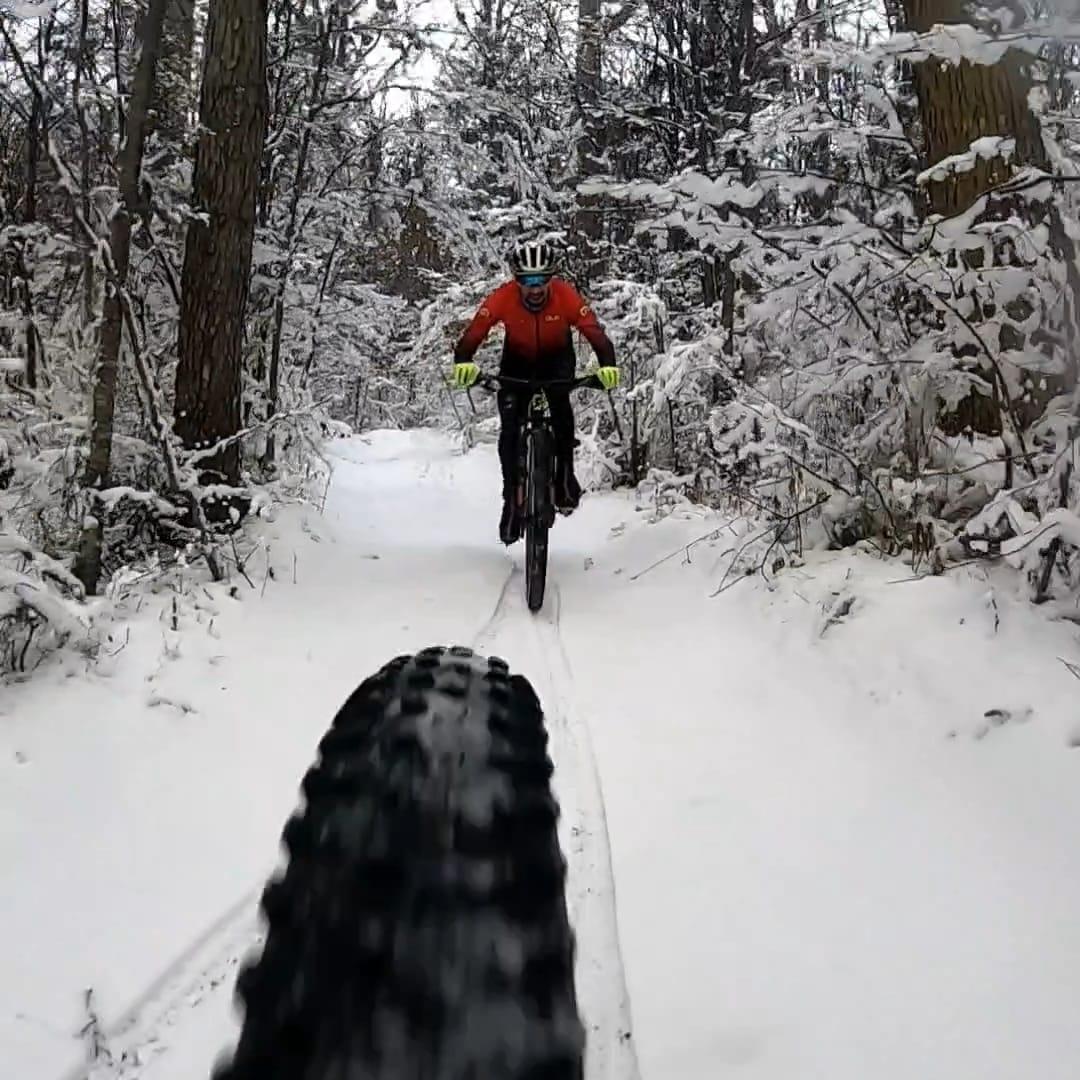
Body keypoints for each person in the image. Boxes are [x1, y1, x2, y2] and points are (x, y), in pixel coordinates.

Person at [451, 239, 620, 545]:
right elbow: (475, 331)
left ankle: (565, 475)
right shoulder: (503, 298)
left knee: (561, 411)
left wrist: (607, 364)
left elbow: (594, 331)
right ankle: (511, 500)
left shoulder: (566, 296)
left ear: (551, 277)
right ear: (517, 281)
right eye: (528, 281)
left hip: (557, 363)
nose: (536, 288)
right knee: (511, 430)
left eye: (542, 279)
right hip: (516, 365)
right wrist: (463, 361)